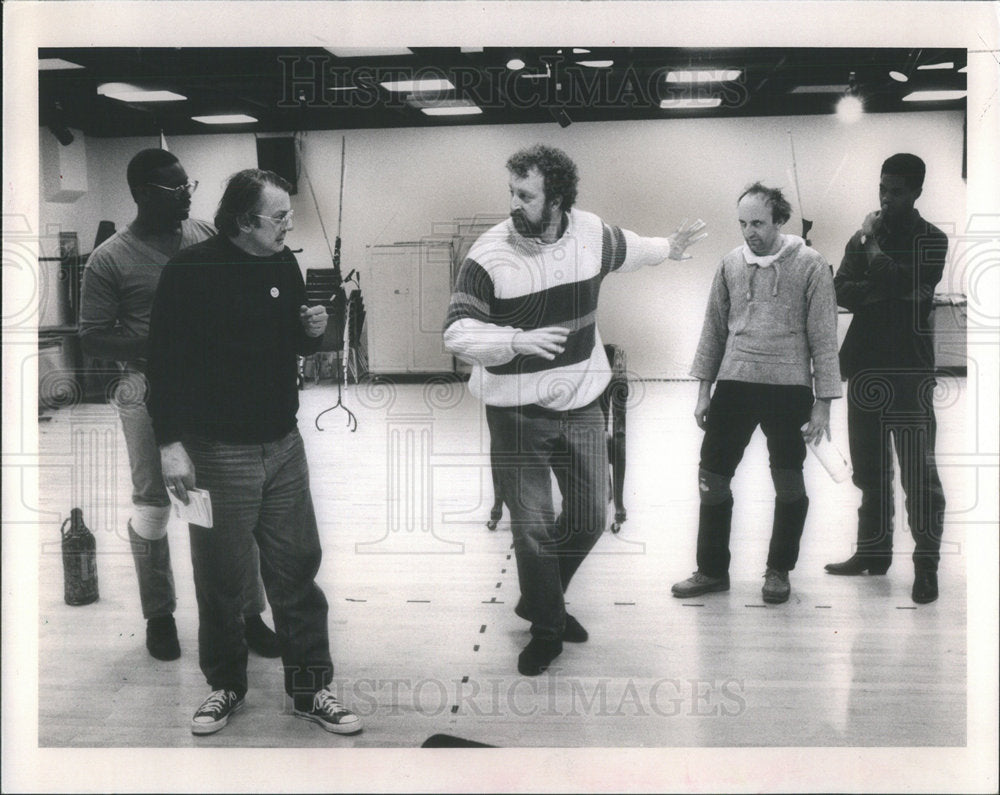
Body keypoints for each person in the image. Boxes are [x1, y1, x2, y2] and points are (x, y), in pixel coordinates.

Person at [444, 144, 707, 676]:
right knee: (534, 527)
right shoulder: (488, 254)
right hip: (517, 412)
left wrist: (670, 248)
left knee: (589, 517)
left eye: (527, 194)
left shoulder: (589, 233)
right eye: (512, 193)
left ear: (558, 199)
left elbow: (631, 248)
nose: (515, 204)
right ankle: (548, 627)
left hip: (583, 400)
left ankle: (542, 599)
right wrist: (515, 341)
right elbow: (457, 331)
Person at [146, 168, 362, 737]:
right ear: (244, 220)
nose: (289, 225)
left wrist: (311, 330)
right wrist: (170, 445)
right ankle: (225, 686)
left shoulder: (281, 263)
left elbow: (286, 340)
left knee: (298, 572)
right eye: (279, 217)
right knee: (221, 578)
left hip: (284, 444)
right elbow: (162, 366)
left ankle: (311, 688)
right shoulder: (190, 272)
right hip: (215, 453)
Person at [79, 148, 279, 661]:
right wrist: (162, 345)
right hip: (144, 388)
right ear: (142, 194)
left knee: (231, 502)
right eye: (176, 190)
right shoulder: (109, 259)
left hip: (211, 388)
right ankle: (159, 615)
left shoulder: (204, 238)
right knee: (153, 505)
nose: (188, 196)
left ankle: (249, 613)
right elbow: (94, 339)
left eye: (189, 185)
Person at [671, 182, 841, 605]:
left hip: (789, 389)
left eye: (759, 223)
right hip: (734, 382)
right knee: (711, 476)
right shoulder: (730, 264)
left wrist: (823, 403)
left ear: (780, 219)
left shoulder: (811, 264)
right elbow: (713, 328)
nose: (750, 232)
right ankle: (711, 570)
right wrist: (702, 391)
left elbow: (823, 336)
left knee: (788, 481)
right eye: (743, 223)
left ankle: (779, 570)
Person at [824, 153, 947, 604]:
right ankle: (873, 554)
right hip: (866, 366)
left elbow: (908, 287)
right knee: (870, 469)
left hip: (910, 370)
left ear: (916, 192)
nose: (885, 198)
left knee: (919, 474)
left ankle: (926, 566)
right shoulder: (862, 235)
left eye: (895, 191)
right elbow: (840, 287)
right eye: (882, 189)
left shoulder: (930, 239)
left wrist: (875, 256)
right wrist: (887, 290)